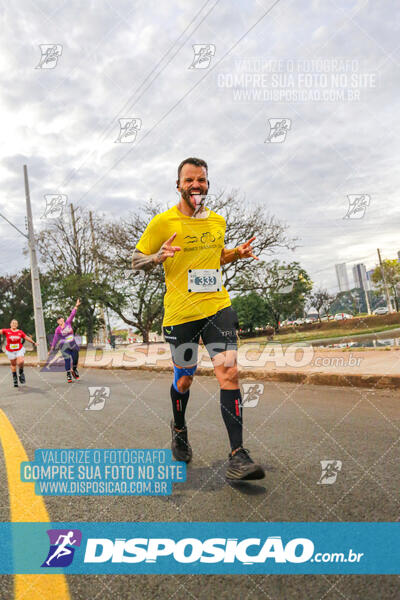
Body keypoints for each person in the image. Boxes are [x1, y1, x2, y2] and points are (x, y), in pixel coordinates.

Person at [132, 157, 265, 481]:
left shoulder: (217, 221)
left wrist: (236, 253)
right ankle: (179, 428)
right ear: (178, 185)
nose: (196, 185)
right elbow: (136, 260)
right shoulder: (162, 222)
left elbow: (215, 255)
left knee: (228, 371)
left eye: (201, 180)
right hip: (181, 315)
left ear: (207, 184)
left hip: (217, 307)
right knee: (185, 379)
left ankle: (238, 455)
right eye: (189, 180)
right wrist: (157, 256)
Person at [48, 299, 81, 383]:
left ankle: (74, 369)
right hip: (64, 346)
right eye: (58, 320)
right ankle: (68, 374)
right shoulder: (57, 330)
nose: (60, 320)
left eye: (61, 318)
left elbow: (72, 314)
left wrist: (76, 306)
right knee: (67, 359)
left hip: (73, 345)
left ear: (63, 319)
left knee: (75, 358)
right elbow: (55, 339)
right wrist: (52, 348)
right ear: (58, 322)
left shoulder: (68, 322)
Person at [0, 319, 37, 387]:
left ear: (17, 325)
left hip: (19, 349)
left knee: (20, 361)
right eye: (13, 323)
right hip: (10, 351)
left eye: (15, 323)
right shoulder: (6, 331)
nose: (14, 324)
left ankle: (21, 372)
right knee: (13, 365)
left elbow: (26, 337)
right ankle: (15, 379)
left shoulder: (20, 332)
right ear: (10, 324)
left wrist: (34, 342)